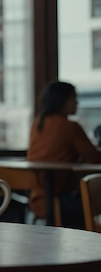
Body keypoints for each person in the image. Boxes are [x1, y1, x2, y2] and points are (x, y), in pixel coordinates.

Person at [27, 81, 101, 229]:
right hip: (59, 201)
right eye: (73, 98)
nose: (77, 103)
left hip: (36, 200)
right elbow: (94, 159)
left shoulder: (38, 124)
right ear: (61, 100)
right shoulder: (70, 126)